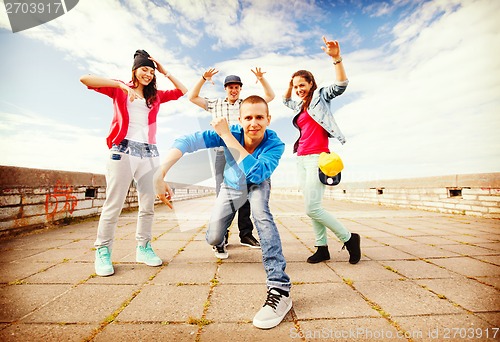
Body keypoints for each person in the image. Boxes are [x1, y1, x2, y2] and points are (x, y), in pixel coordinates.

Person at [154, 95, 292, 329]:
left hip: (258, 182)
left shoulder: (275, 143)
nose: (254, 123)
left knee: (261, 213)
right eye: (248, 117)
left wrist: (227, 135)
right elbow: (187, 141)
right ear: (240, 119)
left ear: (269, 119)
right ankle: (221, 239)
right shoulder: (234, 131)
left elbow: (257, 174)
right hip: (231, 185)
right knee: (214, 236)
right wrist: (161, 172)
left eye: (260, 117)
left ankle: (280, 287)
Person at [80, 50, 188, 276]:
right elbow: (85, 79)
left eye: (151, 71)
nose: (148, 74)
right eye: (144, 69)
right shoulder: (120, 88)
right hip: (122, 150)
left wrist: (164, 69)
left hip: (149, 154)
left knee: (147, 205)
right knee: (114, 204)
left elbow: (182, 91)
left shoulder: (155, 96)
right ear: (135, 71)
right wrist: (121, 86)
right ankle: (103, 251)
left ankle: (144, 247)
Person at [283, 36, 361, 264]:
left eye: (302, 85)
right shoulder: (299, 104)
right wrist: (290, 83)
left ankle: (349, 238)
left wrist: (336, 59)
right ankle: (321, 248)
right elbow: (285, 100)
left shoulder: (320, 97)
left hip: (318, 159)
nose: (299, 89)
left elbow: (341, 85)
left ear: (311, 84)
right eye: (296, 86)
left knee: (312, 208)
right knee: (313, 206)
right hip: (301, 158)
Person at [187, 68, 276, 249]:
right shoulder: (216, 104)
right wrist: (204, 78)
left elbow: (270, 96)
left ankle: (245, 234)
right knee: (224, 193)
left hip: (245, 153)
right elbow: (192, 97)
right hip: (222, 153)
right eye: (230, 87)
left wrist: (261, 79)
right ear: (226, 89)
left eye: (236, 87)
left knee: (247, 194)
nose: (233, 90)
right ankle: (222, 235)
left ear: (240, 89)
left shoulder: (246, 104)